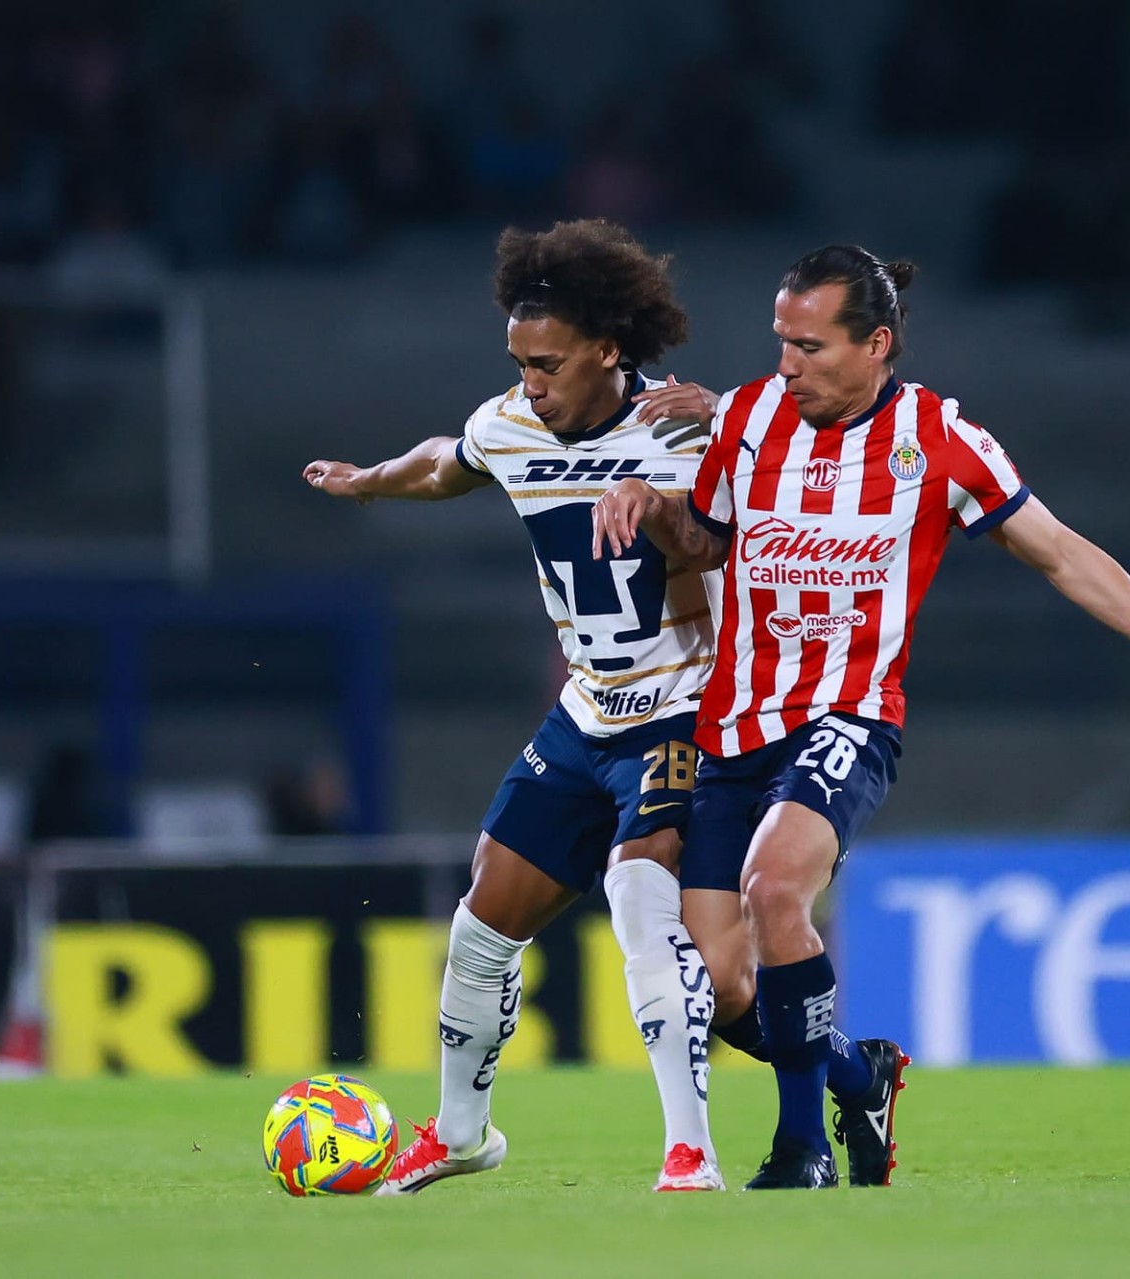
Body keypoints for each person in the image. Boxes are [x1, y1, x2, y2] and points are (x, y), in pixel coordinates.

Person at [592, 245, 1130, 1189]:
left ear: (876, 343)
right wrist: (651, 504)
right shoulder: (748, 417)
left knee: (775, 887)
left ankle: (801, 1149)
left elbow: (1058, 551)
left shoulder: (939, 439)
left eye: (809, 346)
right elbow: (705, 538)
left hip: (849, 717)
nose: (787, 364)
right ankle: (858, 1075)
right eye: (781, 341)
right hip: (736, 727)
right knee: (718, 983)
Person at [303, 219, 737, 1193]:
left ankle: (690, 1150)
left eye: (547, 364)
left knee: (638, 894)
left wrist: (701, 457)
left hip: (685, 705)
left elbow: (753, 524)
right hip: (587, 713)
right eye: (519, 364)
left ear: (608, 348)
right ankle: (462, 1134)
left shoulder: (684, 430)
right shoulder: (510, 425)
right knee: (481, 923)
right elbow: (444, 462)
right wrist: (369, 482)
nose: (530, 383)